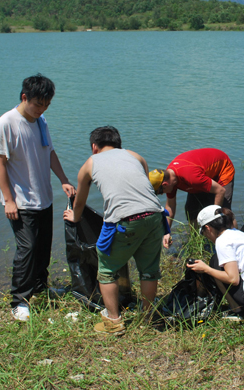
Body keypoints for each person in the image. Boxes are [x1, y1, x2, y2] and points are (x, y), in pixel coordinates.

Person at [63, 126, 171, 335]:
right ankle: (148, 317)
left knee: (106, 270)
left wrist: (74, 217)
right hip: (155, 216)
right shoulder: (136, 157)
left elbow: (80, 201)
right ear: (119, 144)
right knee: (149, 269)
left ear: (94, 147)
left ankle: (114, 321)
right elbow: (144, 190)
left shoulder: (90, 163)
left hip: (126, 220)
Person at [0, 74, 75, 322]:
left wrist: (63, 179)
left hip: (43, 196)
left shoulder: (41, 121)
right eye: (38, 104)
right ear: (24, 97)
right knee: (27, 248)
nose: (42, 109)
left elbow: (50, 152)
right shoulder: (6, 123)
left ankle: (40, 288)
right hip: (20, 200)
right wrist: (9, 200)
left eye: (46, 105)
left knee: (43, 246)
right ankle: (19, 301)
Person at [148, 148, 235, 226]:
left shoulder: (191, 177)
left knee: (225, 214)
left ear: (164, 185)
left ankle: (234, 235)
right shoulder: (169, 179)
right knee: (192, 211)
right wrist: (167, 232)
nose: (162, 194)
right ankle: (197, 237)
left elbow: (220, 191)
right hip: (202, 174)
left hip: (222, 169)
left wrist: (214, 216)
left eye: (160, 192)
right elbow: (170, 207)